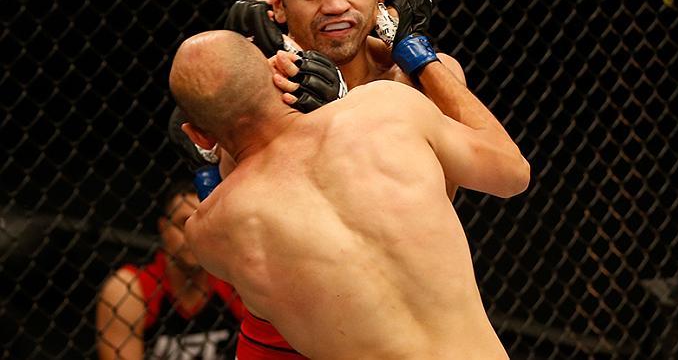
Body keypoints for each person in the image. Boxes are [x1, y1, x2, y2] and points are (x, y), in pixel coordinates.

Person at [169, 30, 529, 359]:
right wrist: (417, 53)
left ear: (197, 136)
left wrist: (210, 173)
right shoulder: (387, 108)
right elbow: (513, 174)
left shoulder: (210, 232)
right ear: (279, 70)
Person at [95, 179, 245, 359]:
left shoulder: (237, 283)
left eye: (204, 223)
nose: (193, 234)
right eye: (184, 223)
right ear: (164, 228)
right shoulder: (131, 290)